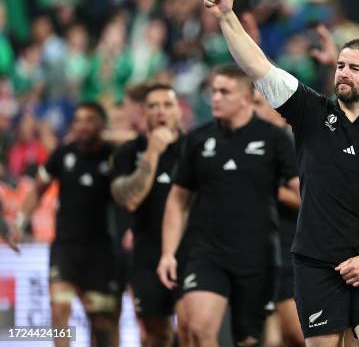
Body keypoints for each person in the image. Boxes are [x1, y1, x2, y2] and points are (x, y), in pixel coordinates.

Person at [201, 0, 359, 347]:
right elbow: (258, 67)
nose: (344, 73)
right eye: (341, 65)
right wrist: (226, 18)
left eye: (355, 68)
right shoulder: (311, 111)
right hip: (316, 265)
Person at [157, 66, 300, 346]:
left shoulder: (275, 138)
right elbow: (177, 199)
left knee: (248, 340)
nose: (216, 98)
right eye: (214, 91)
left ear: (246, 98)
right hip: (207, 251)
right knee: (198, 328)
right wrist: (167, 253)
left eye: (224, 92)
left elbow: (302, 191)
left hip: (257, 254)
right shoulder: (197, 139)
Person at [16, 102, 119, 347]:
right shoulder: (63, 154)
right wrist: (20, 222)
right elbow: (37, 189)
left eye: (89, 120)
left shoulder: (113, 156)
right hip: (65, 249)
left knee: (101, 326)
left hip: (100, 252)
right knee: (59, 311)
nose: (82, 126)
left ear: (102, 125)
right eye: (78, 120)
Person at [111, 84, 187, 347]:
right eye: (153, 106)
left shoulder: (195, 148)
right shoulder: (128, 152)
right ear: (144, 112)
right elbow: (130, 200)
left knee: (194, 328)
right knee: (153, 335)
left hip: (192, 254)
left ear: (179, 110)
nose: (160, 112)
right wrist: (153, 152)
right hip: (147, 256)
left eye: (167, 105)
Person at [253, 93, 305, 347]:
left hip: (291, 248)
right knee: (271, 338)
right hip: (258, 249)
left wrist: (271, 189)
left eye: (258, 104)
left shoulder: (298, 144)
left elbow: (309, 202)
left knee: (296, 333)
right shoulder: (251, 143)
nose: (252, 110)